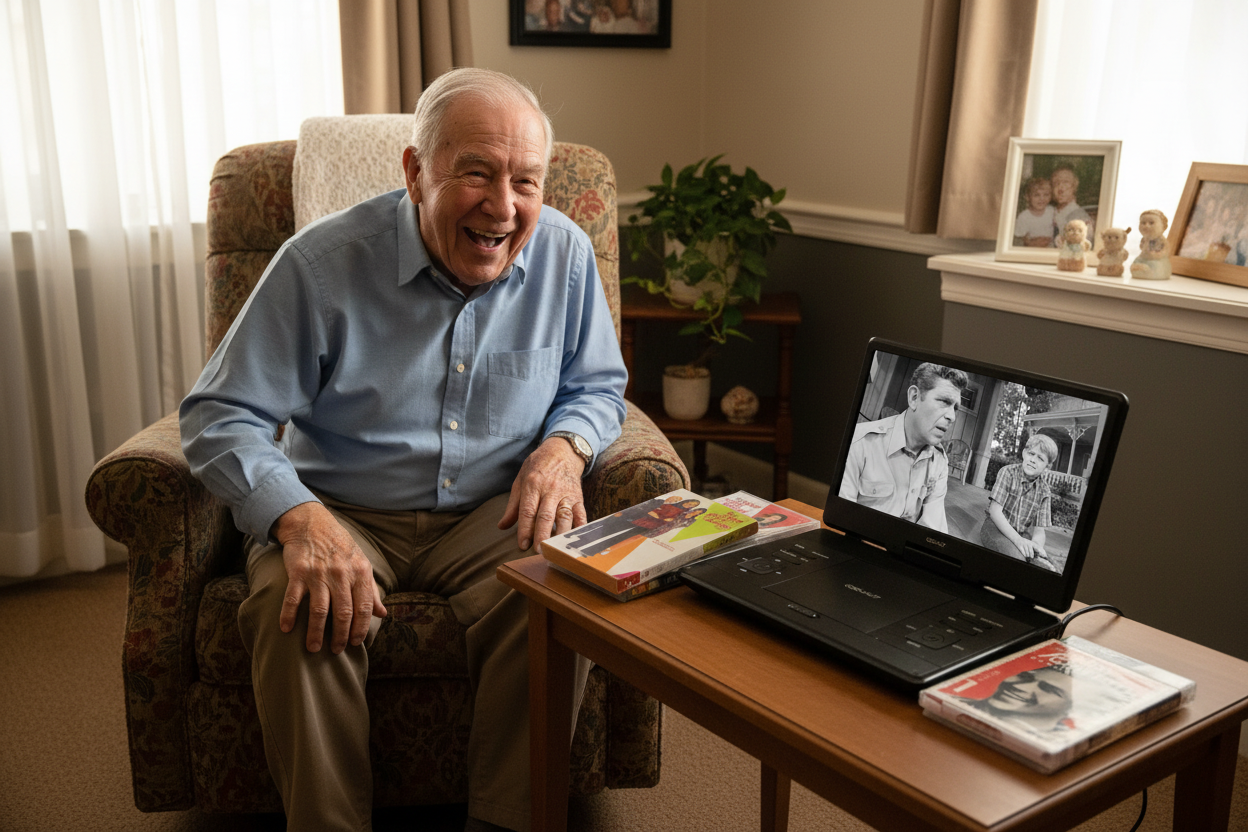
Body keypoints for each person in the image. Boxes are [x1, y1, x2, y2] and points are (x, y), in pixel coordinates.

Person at [179, 67, 628, 832]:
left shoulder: (566, 255)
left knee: (561, 596)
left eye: (526, 180)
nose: (503, 205)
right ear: (416, 172)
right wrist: (298, 522)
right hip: (343, 508)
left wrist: (564, 448)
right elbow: (221, 415)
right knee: (299, 611)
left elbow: (597, 385)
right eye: (477, 173)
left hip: (494, 514)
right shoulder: (319, 264)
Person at [838, 362, 969, 532]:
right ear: (914, 398)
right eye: (944, 401)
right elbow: (840, 523)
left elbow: (932, 531)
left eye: (956, 408)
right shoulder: (858, 442)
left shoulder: (939, 462)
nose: (952, 416)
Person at [978, 434, 1058, 569]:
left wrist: (1036, 547)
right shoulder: (1008, 473)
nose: (1033, 460)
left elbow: (1039, 531)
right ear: (1024, 453)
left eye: (1040, 458)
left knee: (1052, 568)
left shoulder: (1044, 491)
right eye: (1031, 453)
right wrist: (1018, 541)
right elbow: (994, 511)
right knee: (1017, 559)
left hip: (1021, 534)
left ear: (1047, 466)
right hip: (994, 528)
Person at [1050, 164, 1093, 246]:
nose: (1060, 189)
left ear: (1075, 185)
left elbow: (1083, 246)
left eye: (1065, 182)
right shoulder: (1050, 212)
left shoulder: (1080, 217)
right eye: (1056, 183)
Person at [1013, 176, 1056, 248]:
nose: (1042, 199)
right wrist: (1030, 243)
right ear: (1027, 197)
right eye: (1037, 195)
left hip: (1050, 247)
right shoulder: (1024, 216)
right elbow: (1019, 237)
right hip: (1032, 248)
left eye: (1046, 195)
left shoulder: (1052, 211)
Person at [1129, 208, 1172, 280]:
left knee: (1155, 266)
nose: (1146, 226)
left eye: (1151, 223)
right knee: (1136, 264)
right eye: (1143, 223)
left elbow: (1165, 251)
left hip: (1156, 261)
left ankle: (1148, 271)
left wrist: (1156, 254)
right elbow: (1142, 247)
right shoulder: (1144, 239)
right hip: (1143, 259)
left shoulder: (1162, 241)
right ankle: (1141, 269)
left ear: (1163, 226)